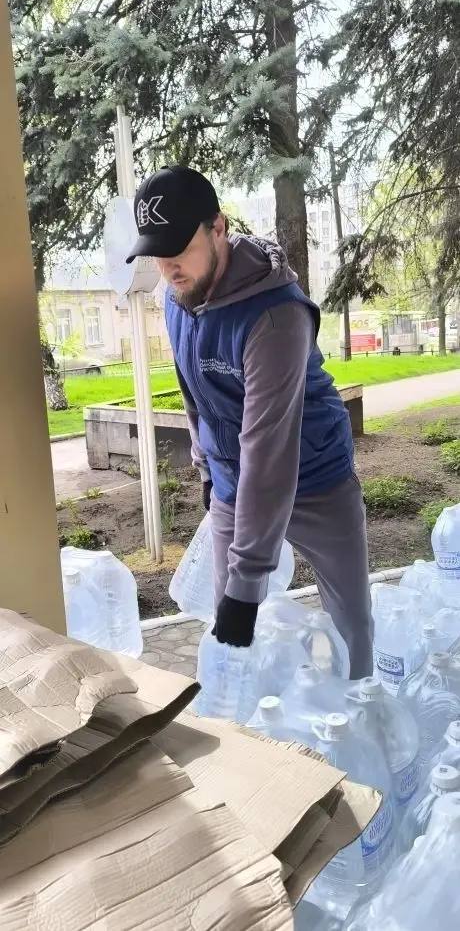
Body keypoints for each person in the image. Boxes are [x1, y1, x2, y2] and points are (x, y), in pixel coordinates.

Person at [127, 164, 372, 678]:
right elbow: (193, 392)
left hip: (316, 478)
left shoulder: (276, 315)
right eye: (157, 253)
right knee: (231, 642)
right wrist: (206, 470)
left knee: (352, 626)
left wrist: (247, 587)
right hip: (233, 482)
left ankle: (363, 708)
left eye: (179, 247)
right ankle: (247, 719)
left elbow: (269, 450)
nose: (169, 267)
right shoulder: (175, 296)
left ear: (218, 228)